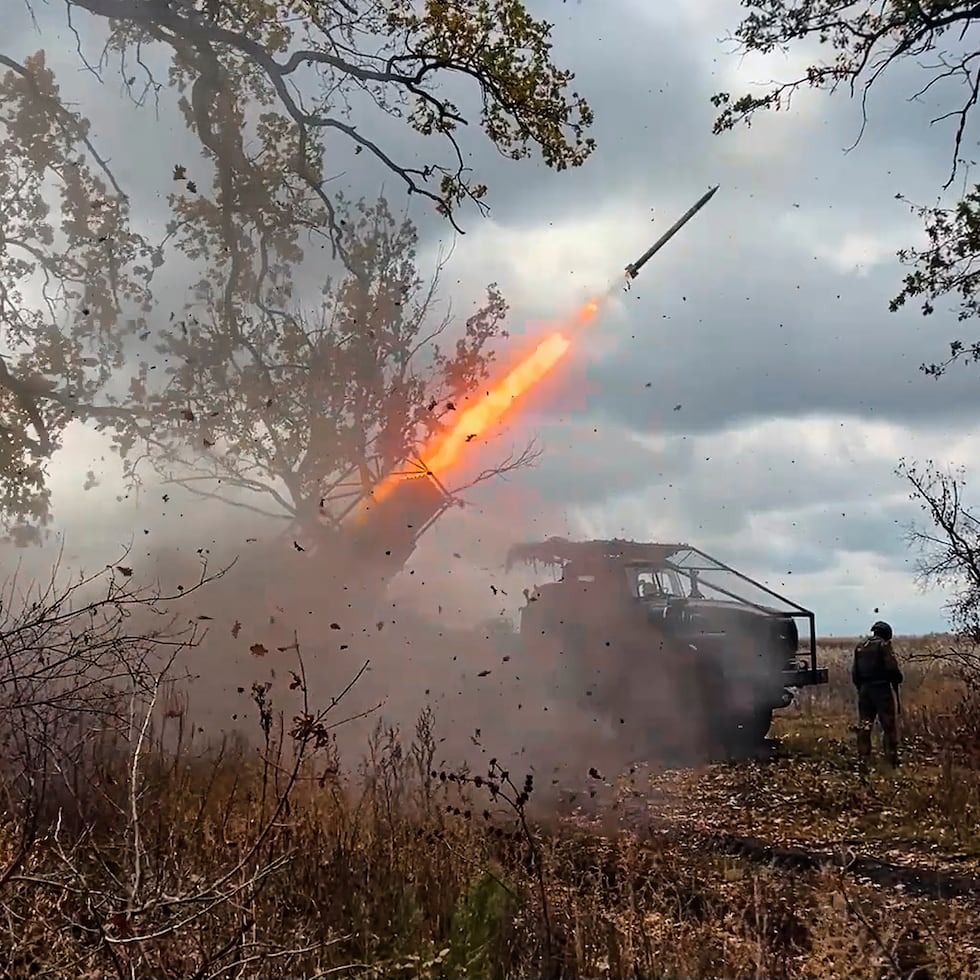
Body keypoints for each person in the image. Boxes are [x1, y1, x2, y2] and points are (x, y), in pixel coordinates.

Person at [851, 620, 903, 766]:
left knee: (865, 725)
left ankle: (863, 757)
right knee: (889, 725)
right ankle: (891, 759)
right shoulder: (884, 645)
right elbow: (891, 667)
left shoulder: (860, 646)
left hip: (864, 690)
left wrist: (861, 689)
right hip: (881, 690)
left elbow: (855, 673)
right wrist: (897, 678)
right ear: (887, 634)